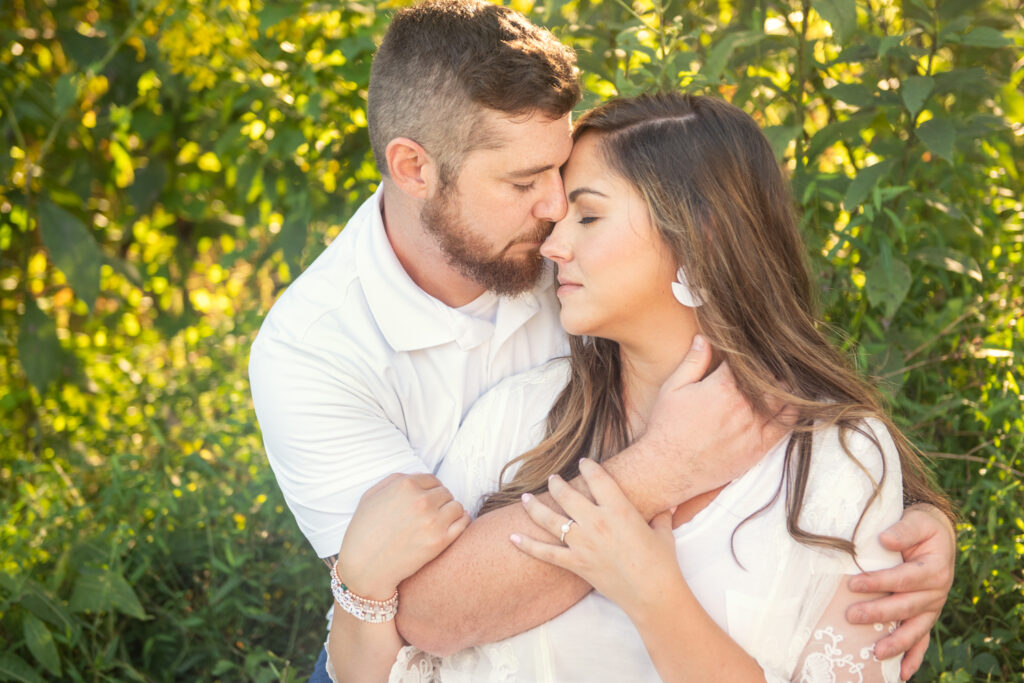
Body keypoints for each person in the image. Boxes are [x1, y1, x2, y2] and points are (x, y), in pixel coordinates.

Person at [246, 2, 956, 680]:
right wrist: (664, 468)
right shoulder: (314, 353)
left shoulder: (538, 253)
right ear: (414, 169)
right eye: (527, 182)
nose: (553, 218)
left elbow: (807, 415)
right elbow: (401, 613)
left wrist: (920, 517)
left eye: (564, 181)